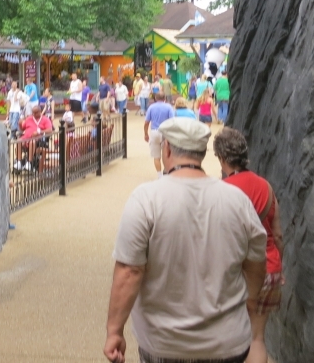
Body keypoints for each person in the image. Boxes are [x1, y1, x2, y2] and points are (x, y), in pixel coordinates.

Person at [104, 119, 267, 363]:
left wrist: (114, 330)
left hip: (165, 343)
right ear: (201, 153)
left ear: (167, 148)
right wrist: (250, 301)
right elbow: (255, 264)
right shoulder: (237, 200)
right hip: (227, 342)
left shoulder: (146, 199)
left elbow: (130, 271)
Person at [214, 128, 285, 363]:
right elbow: (278, 233)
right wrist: (278, 267)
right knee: (257, 338)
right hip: (270, 267)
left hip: (240, 273)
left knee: (231, 338)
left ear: (222, 158)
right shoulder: (266, 186)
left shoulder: (222, 191)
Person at [15, 104, 53, 173]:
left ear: (40, 112)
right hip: (26, 137)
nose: (34, 114)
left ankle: (29, 162)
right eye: (33, 113)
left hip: (38, 139)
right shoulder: (29, 118)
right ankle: (19, 162)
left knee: (32, 142)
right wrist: (20, 123)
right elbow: (22, 128)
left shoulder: (45, 119)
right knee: (18, 141)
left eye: (36, 113)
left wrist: (39, 131)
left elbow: (50, 130)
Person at [143, 95, 174, 174]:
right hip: (165, 132)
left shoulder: (151, 107)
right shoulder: (168, 107)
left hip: (154, 131)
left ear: (155, 99)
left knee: (156, 156)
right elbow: (173, 121)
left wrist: (146, 133)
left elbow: (146, 122)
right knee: (166, 154)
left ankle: (159, 174)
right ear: (165, 98)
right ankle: (166, 171)